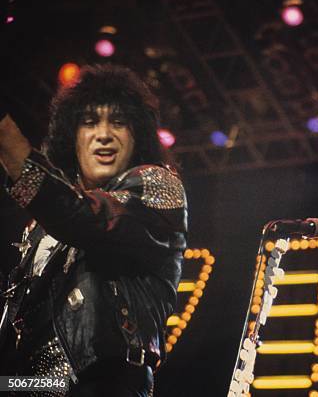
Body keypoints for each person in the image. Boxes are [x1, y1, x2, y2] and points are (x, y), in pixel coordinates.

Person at [0, 64, 187, 396]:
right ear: (72, 138)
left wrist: (5, 134)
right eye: (89, 123)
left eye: (118, 122)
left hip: (104, 382)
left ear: (137, 136)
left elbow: (81, 216)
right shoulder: (41, 232)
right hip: (43, 387)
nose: (104, 134)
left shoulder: (159, 187)